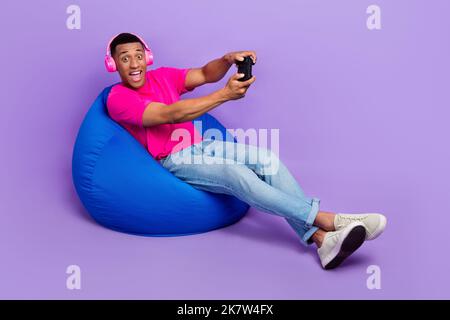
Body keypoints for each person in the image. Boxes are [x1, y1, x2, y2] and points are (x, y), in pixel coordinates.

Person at [105, 32, 387, 270]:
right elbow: (170, 114)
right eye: (125, 57)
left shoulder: (162, 77)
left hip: (202, 144)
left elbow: (205, 73)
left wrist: (227, 61)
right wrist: (224, 96)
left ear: (147, 57)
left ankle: (323, 243)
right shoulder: (118, 98)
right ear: (113, 63)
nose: (134, 63)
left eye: (138, 55)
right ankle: (330, 219)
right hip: (175, 158)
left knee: (267, 159)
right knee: (237, 175)